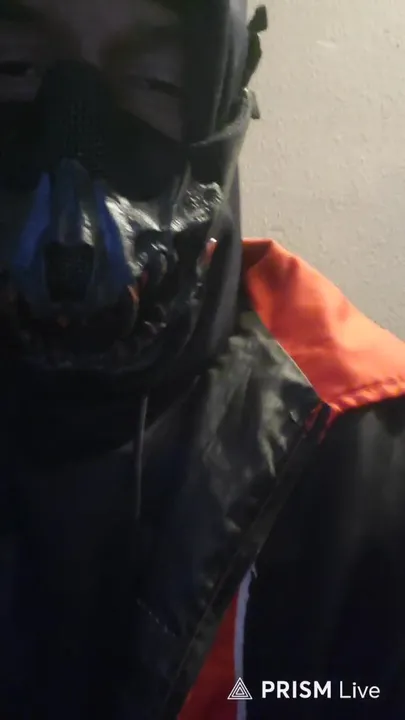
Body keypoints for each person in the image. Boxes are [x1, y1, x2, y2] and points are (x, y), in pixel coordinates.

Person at [1, 1, 405, 719]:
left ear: (224, 96)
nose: (74, 145)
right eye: (15, 68)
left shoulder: (366, 455)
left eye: (154, 80)